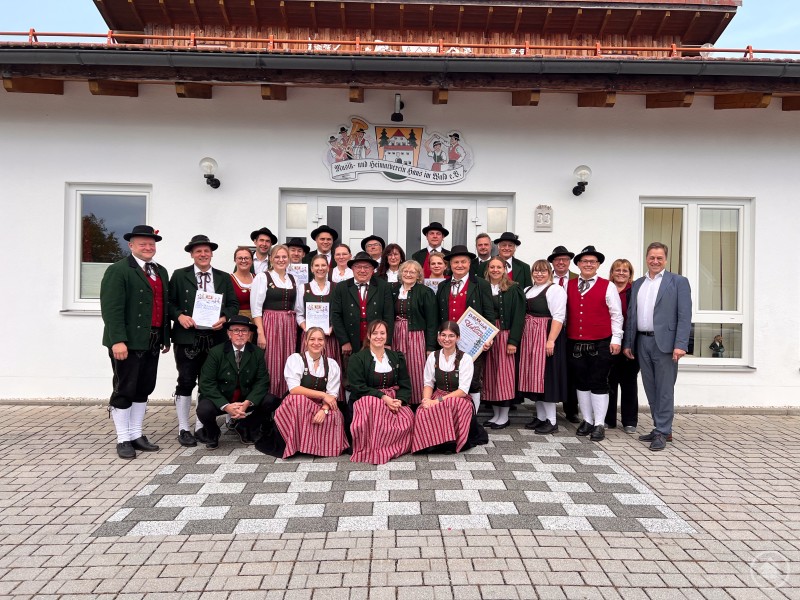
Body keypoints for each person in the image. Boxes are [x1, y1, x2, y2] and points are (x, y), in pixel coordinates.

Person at [100, 225, 170, 459]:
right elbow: (112, 309)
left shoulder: (161, 271)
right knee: (124, 389)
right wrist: (117, 340)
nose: (148, 247)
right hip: (127, 342)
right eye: (143, 244)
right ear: (131, 246)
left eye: (151, 244)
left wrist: (165, 337)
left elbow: (164, 307)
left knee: (144, 388)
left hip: (152, 340)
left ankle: (136, 434)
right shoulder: (118, 270)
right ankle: (123, 439)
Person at [169, 234, 239, 448]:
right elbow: (169, 303)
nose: (203, 254)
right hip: (188, 338)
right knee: (186, 381)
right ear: (192, 254)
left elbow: (233, 304)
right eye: (198, 251)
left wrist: (224, 318)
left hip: (214, 338)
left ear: (211, 253)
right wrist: (180, 316)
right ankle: (183, 427)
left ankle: (201, 425)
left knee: (208, 382)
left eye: (206, 251)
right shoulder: (180, 275)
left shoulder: (223, 277)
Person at [623, 242, 692, 451]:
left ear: (665, 259)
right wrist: (628, 343)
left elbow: (684, 315)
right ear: (646, 258)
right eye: (652, 257)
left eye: (659, 258)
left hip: (666, 344)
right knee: (650, 387)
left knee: (664, 389)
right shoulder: (638, 284)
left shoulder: (678, 282)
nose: (655, 261)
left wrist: (681, 344)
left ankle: (663, 431)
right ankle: (660, 427)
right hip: (642, 341)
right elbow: (632, 315)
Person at [566, 246, 623, 442]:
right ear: (578, 264)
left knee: (599, 382)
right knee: (581, 383)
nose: (588, 264)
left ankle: (599, 423)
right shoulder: (569, 285)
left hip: (601, 341)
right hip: (575, 342)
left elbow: (616, 315)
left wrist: (616, 339)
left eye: (592, 261)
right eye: (584, 261)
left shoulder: (608, 286)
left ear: (598, 265)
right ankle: (587, 420)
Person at [195, 316, 273, 449]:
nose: (240, 334)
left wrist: (247, 403)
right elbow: (206, 383)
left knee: (271, 401)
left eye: (244, 331)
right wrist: (226, 406)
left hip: (244, 399)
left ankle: (245, 426)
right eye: (236, 330)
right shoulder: (216, 352)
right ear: (229, 333)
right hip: (222, 398)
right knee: (203, 409)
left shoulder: (257, 353)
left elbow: (262, 381)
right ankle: (213, 433)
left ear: (249, 334)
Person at [271, 327, 349, 458]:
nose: (316, 343)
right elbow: (294, 389)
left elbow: (332, 394)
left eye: (320, 339)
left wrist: (324, 410)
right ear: (306, 341)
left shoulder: (331, 364)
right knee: (299, 401)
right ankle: (297, 444)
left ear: (325, 342)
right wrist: (323, 395)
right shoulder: (296, 359)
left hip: (319, 405)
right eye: (312, 339)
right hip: (296, 403)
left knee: (335, 414)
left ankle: (317, 447)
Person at [435, 245, 496, 412]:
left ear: (469, 264)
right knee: (448, 380)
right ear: (450, 265)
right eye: (455, 262)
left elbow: (489, 314)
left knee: (473, 381)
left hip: (472, 342)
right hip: (448, 342)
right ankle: (451, 416)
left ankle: (472, 420)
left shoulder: (481, 284)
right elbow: (438, 315)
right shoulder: (443, 286)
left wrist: (490, 339)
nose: (459, 265)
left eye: (463, 262)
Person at [348, 320, 414, 464]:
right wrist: (383, 397)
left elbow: (405, 384)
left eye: (382, 333)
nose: (379, 336)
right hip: (366, 399)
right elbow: (358, 387)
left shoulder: (396, 357)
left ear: (387, 335)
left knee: (407, 415)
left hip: (393, 399)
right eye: (375, 333)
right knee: (374, 406)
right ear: (369, 336)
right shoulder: (358, 358)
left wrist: (400, 401)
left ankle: (390, 447)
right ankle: (375, 448)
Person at [412, 321, 477, 453]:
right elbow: (428, 383)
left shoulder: (466, 359)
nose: (447, 339)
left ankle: (449, 442)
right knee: (421, 411)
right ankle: (429, 443)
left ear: (458, 338)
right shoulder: (433, 357)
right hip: (438, 395)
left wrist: (437, 401)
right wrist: (426, 401)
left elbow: (463, 391)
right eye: (443, 335)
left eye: (451, 336)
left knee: (450, 404)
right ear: (438, 337)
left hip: (459, 399)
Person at [520, 260, 567, 435]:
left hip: (545, 336)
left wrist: (550, 340)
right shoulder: (528, 290)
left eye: (543, 271)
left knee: (546, 378)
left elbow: (558, 316)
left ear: (550, 272)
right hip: (530, 337)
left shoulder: (555, 290)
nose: (539, 274)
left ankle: (552, 420)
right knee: (534, 378)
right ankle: (540, 417)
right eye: (536, 271)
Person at [481, 257, 525, 429]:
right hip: (488, 334)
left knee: (504, 375)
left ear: (505, 269)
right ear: (487, 269)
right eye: (492, 267)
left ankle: (504, 416)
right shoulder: (483, 287)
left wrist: (513, 340)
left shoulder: (514, 288)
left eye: (499, 267)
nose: (495, 270)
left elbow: (519, 316)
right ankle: (496, 414)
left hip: (505, 334)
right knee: (490, 374)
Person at [251, 244, 298, 398]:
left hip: (289, 326)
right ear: (271, 259)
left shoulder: (293, 278)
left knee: (288, 362)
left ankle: (284, 402)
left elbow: (297, 307)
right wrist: (260, 333)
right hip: (270, 324)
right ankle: (269, 404)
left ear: (289, 259)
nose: (281, 260)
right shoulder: (262, 277)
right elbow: (256, 309)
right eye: (277, 256)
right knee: (271, 363)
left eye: (284, 256)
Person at [391, 260, 438, 405]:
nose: (408, 274)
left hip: (416, 335)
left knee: (417, 367)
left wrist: (430, 347)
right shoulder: (393, 290)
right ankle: (400, 400)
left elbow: (432, 321)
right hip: (396, 334)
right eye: (405, 271)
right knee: (397, 366)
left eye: (412, 272)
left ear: (418, 275)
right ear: (400, 273)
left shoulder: (425, 292)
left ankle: (418, 401)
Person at [331, 252, 394, 357]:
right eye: (358, 267)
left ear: (373, 269)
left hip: (376, 339)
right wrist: (344, 341)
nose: (362, 270)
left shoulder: (383, 287)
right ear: (352, 269)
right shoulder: (342, 287)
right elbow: (335, 315)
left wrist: (386, 342)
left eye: (366, 267)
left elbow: (389, 316)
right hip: (351, 341)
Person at [295, 254, 343, 387]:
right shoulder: (303, 288)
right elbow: (299, 313)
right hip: (310, 337)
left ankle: (333, 399)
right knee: (310, 368)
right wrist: (307, 329)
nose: (320, 268)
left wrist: (332, 328)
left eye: (323, 265)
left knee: (330, 368)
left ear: (328, 268)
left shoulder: (337, 287)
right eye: (316, 265)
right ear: (311, 268)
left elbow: (340, 312)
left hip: (330, 336)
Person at [605, 259, 640, 433]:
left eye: (625, 270)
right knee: (609, 381)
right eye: (617, 270)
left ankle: (629, 421)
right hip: (609, 341)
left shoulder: (635, 290)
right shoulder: (606, 288)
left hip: (630, 342)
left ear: (630, 273)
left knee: (629, 382)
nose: (621, 273)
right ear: (611, 272)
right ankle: (609, 419)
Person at [548, 245, 580, 423]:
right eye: (557, 259)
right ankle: (548, 407)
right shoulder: (545, 277)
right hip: (552, 330)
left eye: (565, 259)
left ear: (569, 262)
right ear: (552, 262)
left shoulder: (578, 278)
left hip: (572, 329)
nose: (561, 262)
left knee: (572, 370)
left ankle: (571, 410)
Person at [231, 246, 254, 321]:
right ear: (235, 260)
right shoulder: (228, 279)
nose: (243, 261)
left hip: (256, 321)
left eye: (247, 258)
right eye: (240, 258)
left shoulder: (258, 278)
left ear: (252, 260)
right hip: (237, 321)